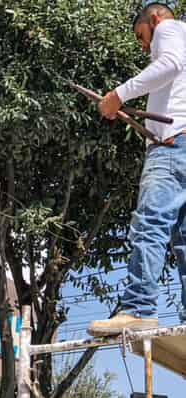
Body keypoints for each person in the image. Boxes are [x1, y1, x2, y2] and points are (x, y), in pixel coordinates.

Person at [88, 1, 186, 336]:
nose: (143, 45)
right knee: (184, 241)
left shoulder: (169, 29)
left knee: (150, 225)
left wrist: (119, 94)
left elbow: (170, 64)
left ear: (154, 19)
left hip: (172, 146)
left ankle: (139, 308)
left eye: (140, 35)